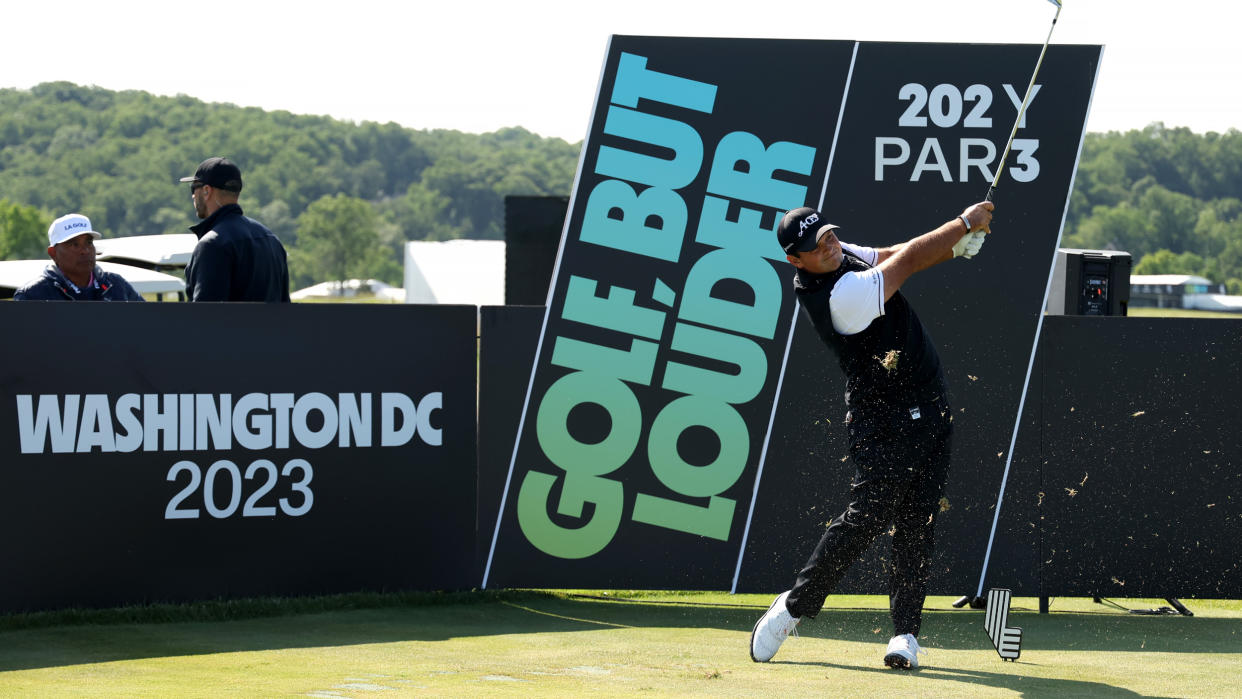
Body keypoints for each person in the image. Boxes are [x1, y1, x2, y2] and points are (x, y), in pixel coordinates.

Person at [750, 200, 994, 669]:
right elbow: (907, 263)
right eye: (816, 247)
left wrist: (957, 247)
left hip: (931, 404)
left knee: (918, 525)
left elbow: (892, 251)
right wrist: (962, 224)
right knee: (867, 520)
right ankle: (793, 608)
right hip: (882, 418)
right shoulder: (837, 297)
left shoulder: (840, 255)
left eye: (828, 235)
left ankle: (905, 634)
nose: (830, 246)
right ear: (795, 262)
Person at [180, 157, 290, 302]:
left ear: (207, 191)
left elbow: (204, 318)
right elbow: (285, 307)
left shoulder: (212, 244)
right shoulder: (272, 240)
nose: (193, 195)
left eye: (194, 188)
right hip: (273, 326)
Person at [13, 213, 144, 302]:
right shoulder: (32, 294)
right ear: (53, 253)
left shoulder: (116, 285)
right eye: (74, 244)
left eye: (89, 242)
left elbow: (148, 323)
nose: (85, 250)